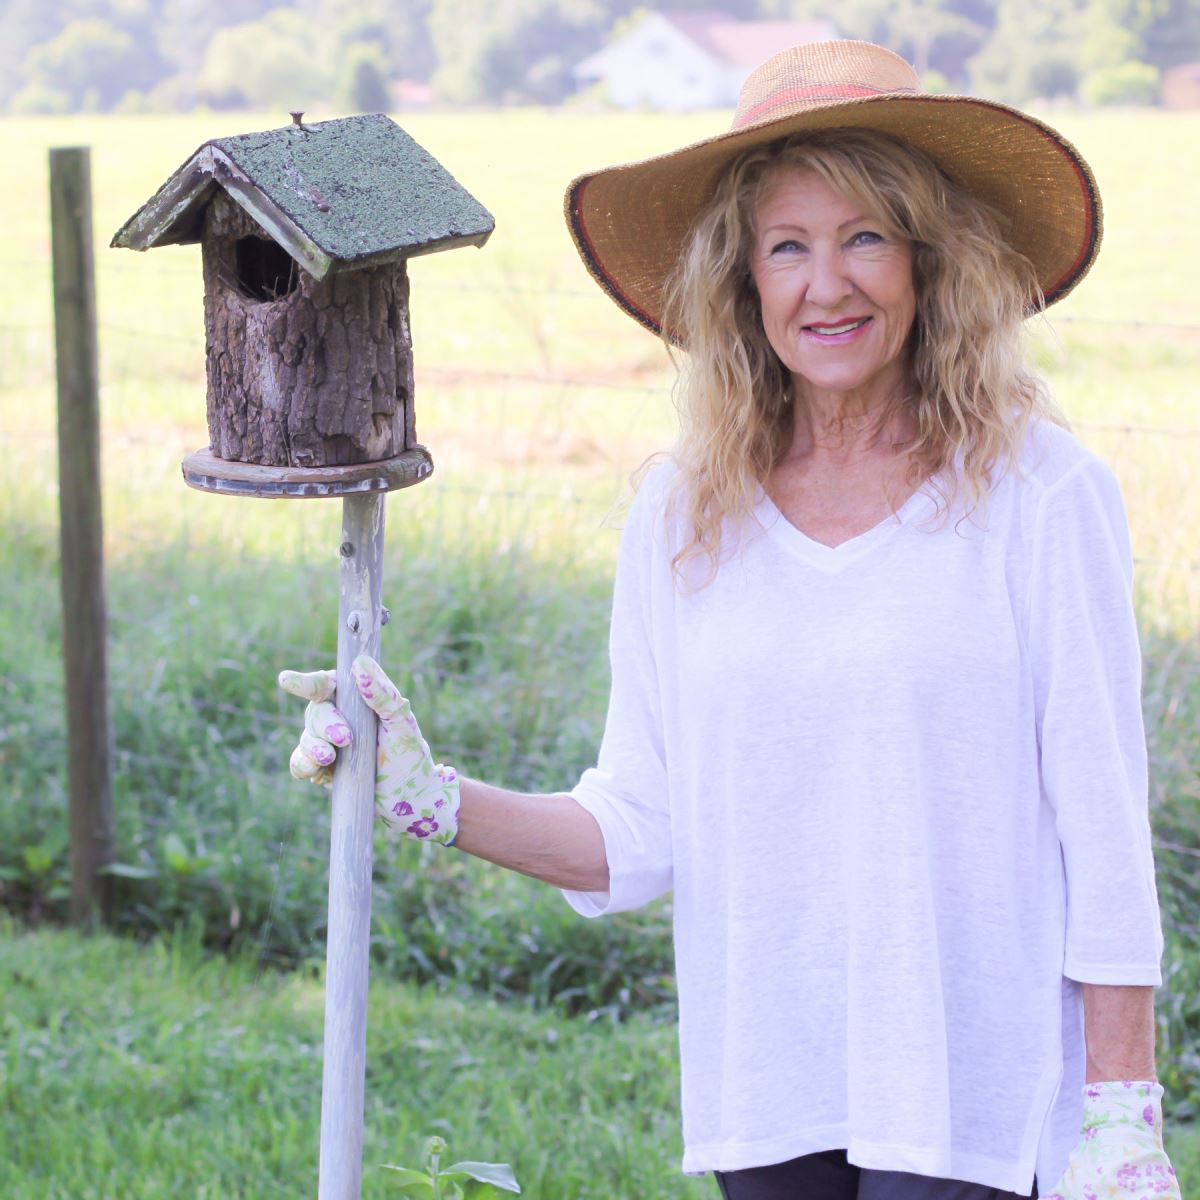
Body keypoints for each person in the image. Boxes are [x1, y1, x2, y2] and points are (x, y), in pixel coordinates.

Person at [280, 40, 1178, 1200]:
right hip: (767, 1083)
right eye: (788, 247)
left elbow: (1103, 829)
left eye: (865, 237)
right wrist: (430, 797)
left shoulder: (1043, 496)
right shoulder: (681, 515)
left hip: (979, 1098)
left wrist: (1123, 1108)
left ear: (928, 262)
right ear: (742, 280)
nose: (828, 283)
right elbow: (638, 828)